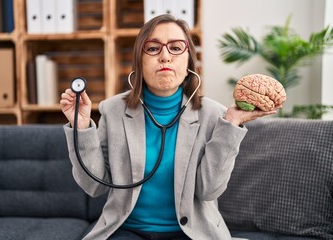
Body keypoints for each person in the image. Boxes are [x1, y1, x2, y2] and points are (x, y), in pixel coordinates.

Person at [60, 14, 280, 240]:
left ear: (188, 63)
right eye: (153, 49)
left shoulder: (215, 114)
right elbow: (95, 187)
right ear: (140, 62)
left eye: (176, 48)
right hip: (127, 229)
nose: (165, 57)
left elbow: (209, 190)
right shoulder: (113, 110)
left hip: (189, 232)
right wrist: (82, 126)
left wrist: (231, 123)